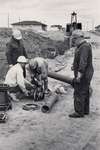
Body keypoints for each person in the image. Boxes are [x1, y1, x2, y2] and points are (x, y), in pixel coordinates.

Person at [69, 30, 94, 118]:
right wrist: (74, 66)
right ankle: (85, 110)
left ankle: (79, 112)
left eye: (74, 39)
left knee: (79, 91)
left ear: (78, 38)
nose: (73, 41)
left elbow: (83, 62)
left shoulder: (84, 47)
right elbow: (79, 60)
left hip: (84, 74)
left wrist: (79, 75)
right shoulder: (82, 46)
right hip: (86, 73)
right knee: (85, 91)